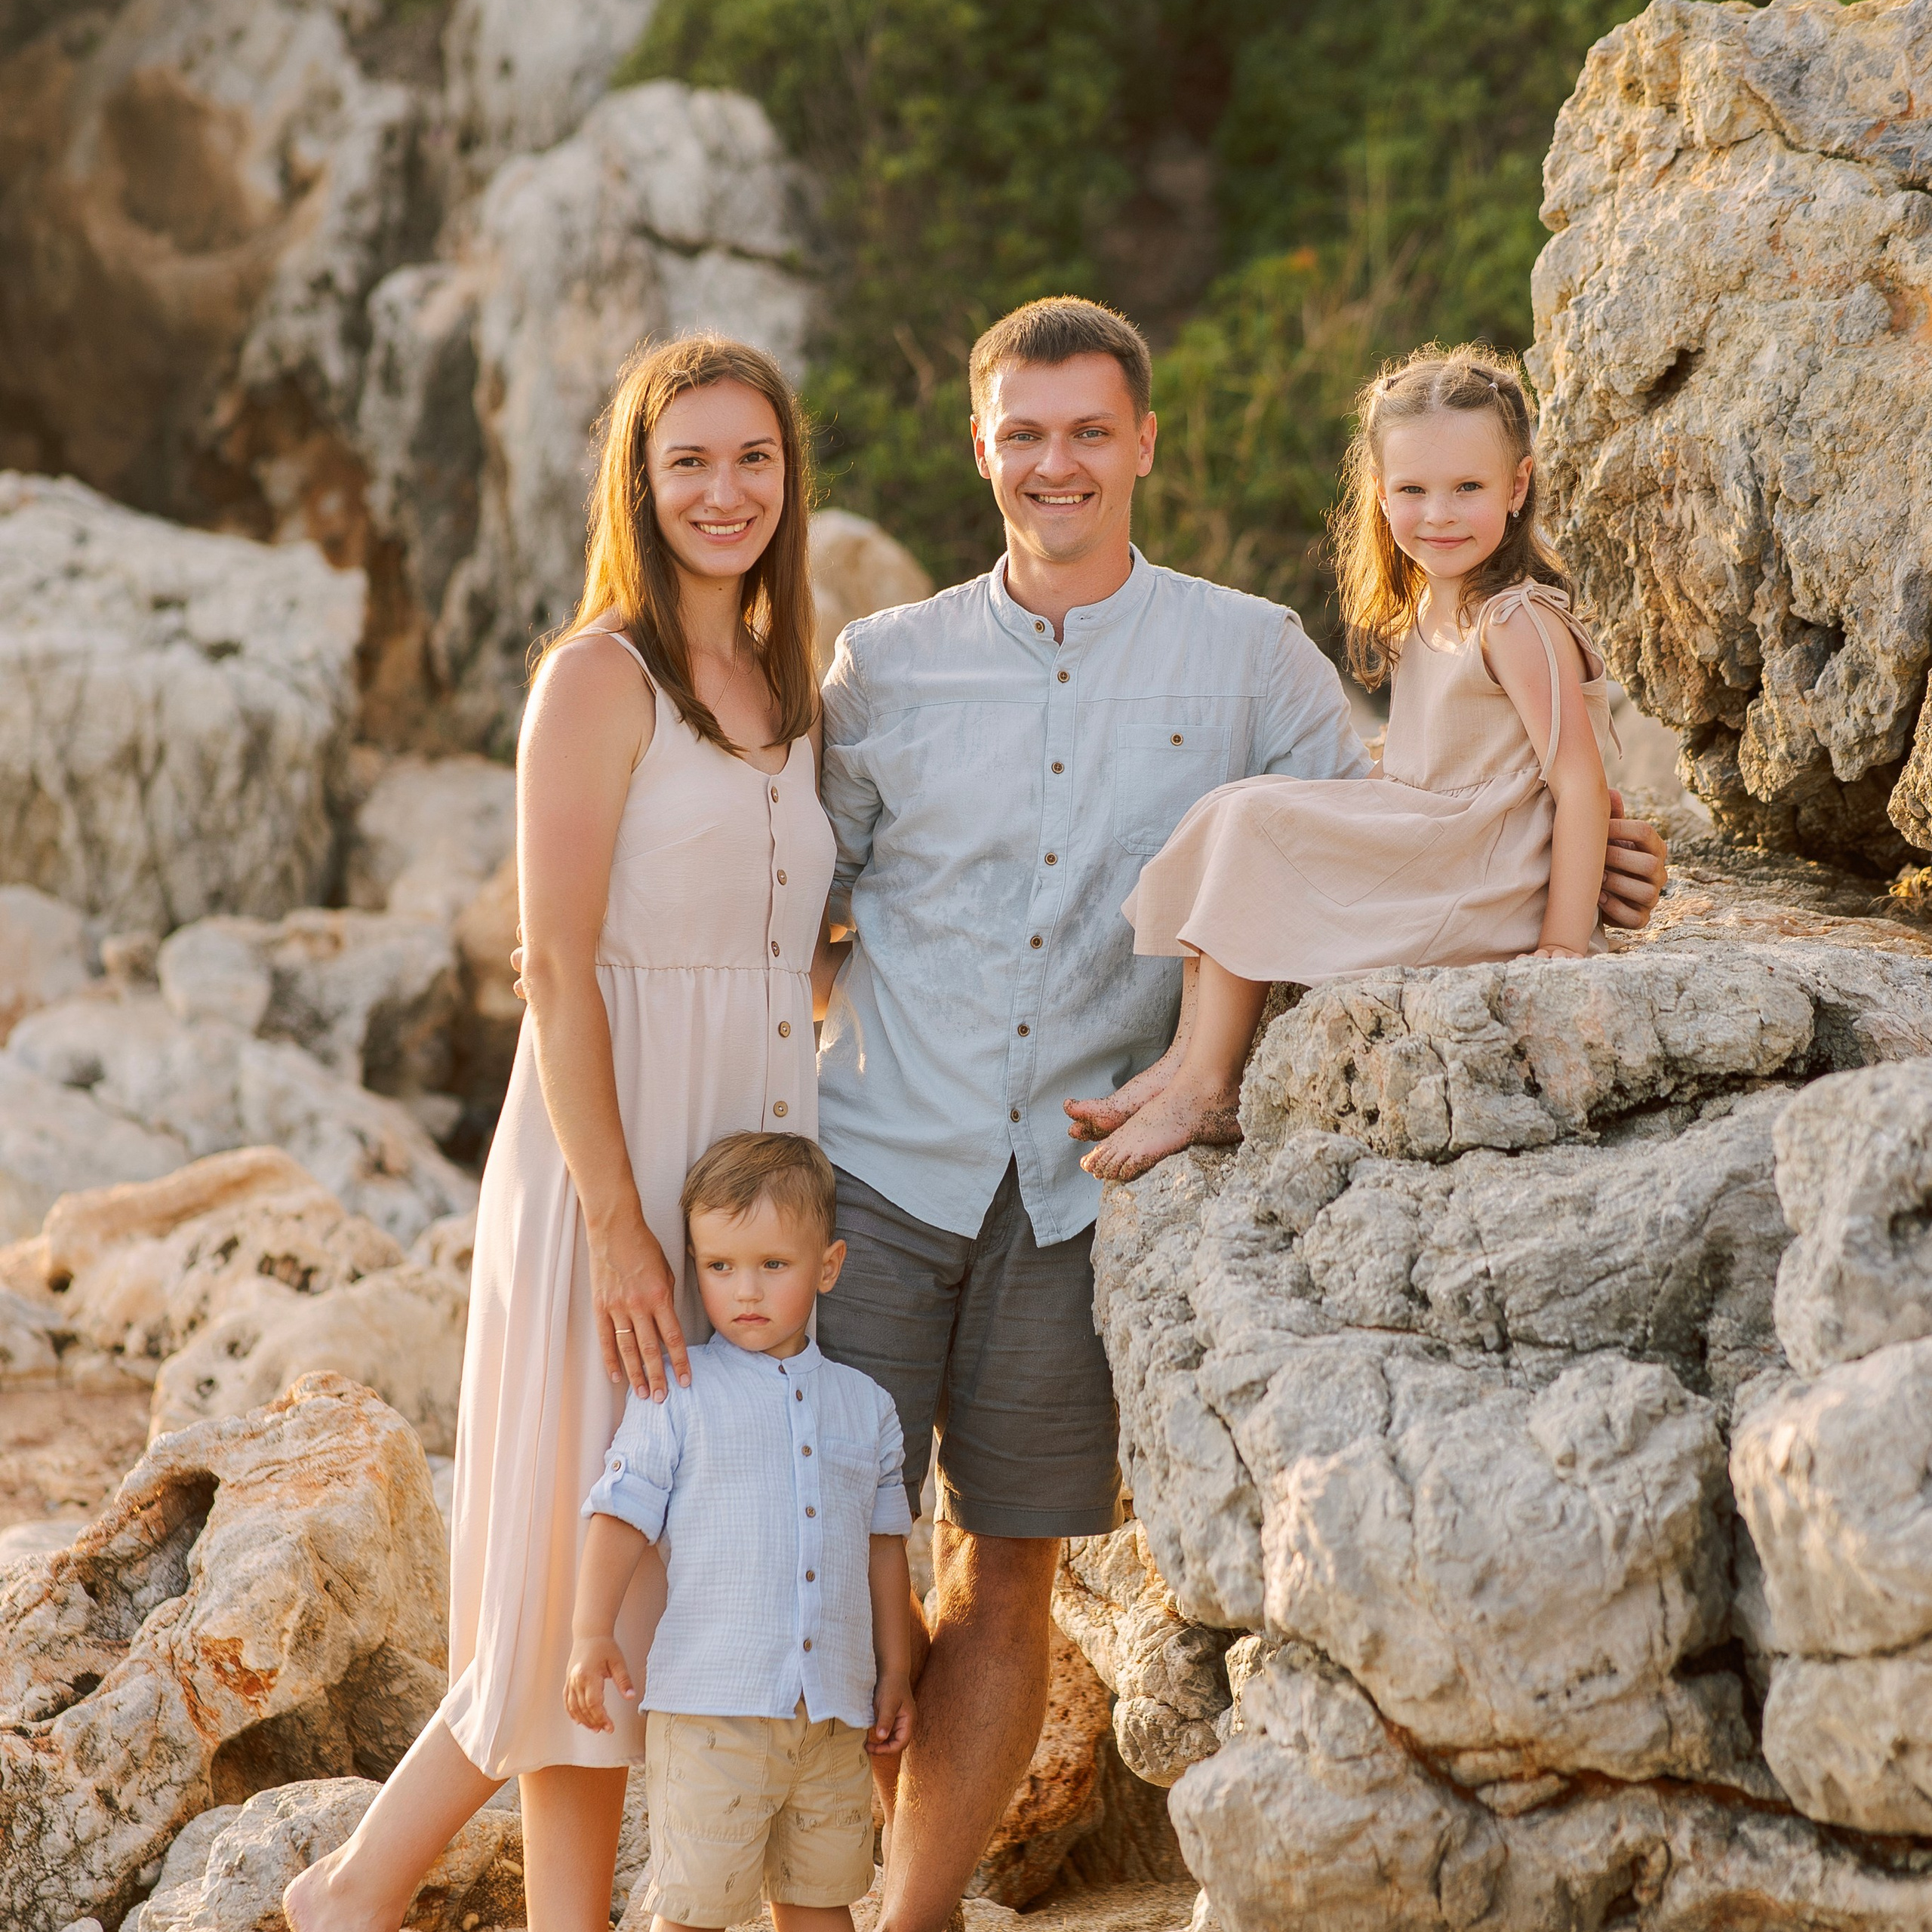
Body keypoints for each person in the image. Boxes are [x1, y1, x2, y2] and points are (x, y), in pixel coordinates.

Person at [811, 297, 1669, 1932]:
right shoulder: (886, 667)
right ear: (978, 445)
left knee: (1006, 1565)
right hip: (878, 1163)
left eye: (1085, 431)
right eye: (1021, 432)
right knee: (827, 1551)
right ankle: (855, 1874)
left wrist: (1593, 868)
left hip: (1077, 1180)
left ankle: (911, 1915)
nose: (1052, 461)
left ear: (1141, 442)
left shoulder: (1252, 652)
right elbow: (801, 893)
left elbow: (1389, 842)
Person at [285, 334, 836, 1932]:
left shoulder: (790, 685)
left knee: (672, 1564)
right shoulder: (598, 674)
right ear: (639, 483)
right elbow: (553, 960)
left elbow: (800, 926)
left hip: (746, 1171)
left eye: (752, 458)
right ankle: (373, 1886)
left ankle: (439, 1900)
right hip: (609, 1159)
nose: (723, 491)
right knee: (568, 1558)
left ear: (787, 477)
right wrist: (613, 1220)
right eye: (689, 462)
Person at [1078, 344, 1617, 1183]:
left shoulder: (1514, 620)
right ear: (1378, 492)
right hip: (1435, 829)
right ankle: (1188, 1058)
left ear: (1517, 487)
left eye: (1468, 488)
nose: (1438, 513)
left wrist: (1563, 945)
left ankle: (1209, 1087)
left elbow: (1578, 782)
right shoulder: (1431, 603)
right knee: (1234, 809)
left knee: (1257, 821)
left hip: (1481, 869)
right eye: (1412, 490)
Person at [565, 1132, 915, 1932]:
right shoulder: (676, 1391)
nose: (744, 1290)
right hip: (711, 1709)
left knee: (823, 1898)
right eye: (719, 1267)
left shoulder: (866, 1407)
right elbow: (619, 1514)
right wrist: (591, 1632)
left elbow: (883, 1548)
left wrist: (895, 1668)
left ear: (827, 1266)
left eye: (772, 1265)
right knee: (695, 1906)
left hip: (832, 1712)